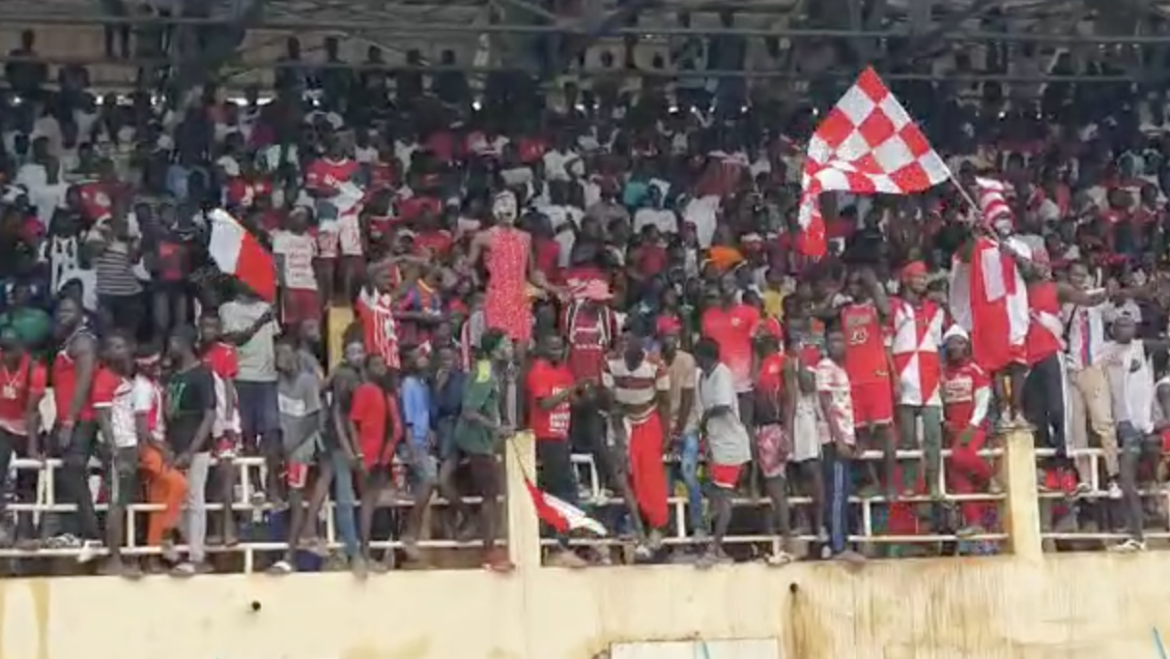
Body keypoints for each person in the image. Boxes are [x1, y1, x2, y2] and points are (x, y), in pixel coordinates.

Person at [447, 328, 514, 571]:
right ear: (495, 349)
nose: (510, 348)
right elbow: (470, 411)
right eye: (506, 344)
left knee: (490, 496)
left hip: (479, 440)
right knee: (490, 497)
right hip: (477, 442)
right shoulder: (486, 372)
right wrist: (497, 428)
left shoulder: (492, 371)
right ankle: (490, 551)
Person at [600, 332, 670, 557]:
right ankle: (638, 530)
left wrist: (667, 434)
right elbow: (609, 399)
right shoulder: (609, 363)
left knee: (650, 477)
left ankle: (657, 527)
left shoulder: (656, 365)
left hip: (648, 421)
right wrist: (620, 433)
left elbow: (665, 402)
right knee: (624, 477)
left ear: (643, 344)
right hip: (620, 420)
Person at [526, 332, 587, 567]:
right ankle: (560, 543)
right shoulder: (539, 371)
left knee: (564, 490)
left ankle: (562, 541)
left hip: (561, 436)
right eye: (551, 347)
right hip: (546, 438)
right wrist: (571, 391)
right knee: (563, 490)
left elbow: (572, 402)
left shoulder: (564, 370)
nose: (556, 352)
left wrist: (584, 392)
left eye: (559, 347)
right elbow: (545, 404)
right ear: (542, 348)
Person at [49, 294, 103, 556]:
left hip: (81, 419)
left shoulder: (83, 341)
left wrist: (69, 421)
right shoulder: (68, 341)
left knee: (74, 469)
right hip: (66, 419)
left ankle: (91, 535)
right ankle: (66, 530)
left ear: (81, 315)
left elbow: (84, 382)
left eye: (69, 311)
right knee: (58, 472)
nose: (63, 315)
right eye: (60, 311)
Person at [221, 286, 283, 503]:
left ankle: (273, 485)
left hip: (268, 378)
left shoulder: (266, 307)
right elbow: (233, 339)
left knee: (272, 433)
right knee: (247, 436)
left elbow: (275, 340)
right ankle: (255, 485)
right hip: (241, 376)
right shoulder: (228, 309)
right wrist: (260, 322)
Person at [839, 268, 896, 500]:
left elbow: (886, 311)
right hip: (853, 379)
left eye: (857, 284)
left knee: (885, 431)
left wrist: (874, 283)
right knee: (860, 437)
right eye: (850, 284)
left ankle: (890, 483)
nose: (853, 288)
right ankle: (873, 482)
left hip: (876, 375)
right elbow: (819, 312)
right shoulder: (843, 312)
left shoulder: (875, 307)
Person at [164, 325, 217, 576]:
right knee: (179, 499)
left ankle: (196, 555)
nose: (170, 347)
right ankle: (184, 550)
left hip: (195, 446)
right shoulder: (174, 374)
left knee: (195, 498)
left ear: (185, 343)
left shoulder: (202, 374)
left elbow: (209, 416)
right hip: (174, 444)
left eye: (173, 341)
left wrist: (192, 449)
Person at [694, 337, 752, 566]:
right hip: (716, 443)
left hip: (730, 444)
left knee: (724, 499)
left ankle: (715, 547)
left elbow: (723, 405)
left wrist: (706, 417)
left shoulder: (722, 373)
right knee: (717, 498)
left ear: (704, 356)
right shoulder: (703, 378)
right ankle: (718, 549)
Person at [890, 261, 945, 498]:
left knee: (933, 435)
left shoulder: (936, 309)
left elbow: (938, 345)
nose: (922, 281)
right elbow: (886, 344)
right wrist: (893, 377)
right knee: (908, 438)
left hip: (930, 378)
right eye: (918, 277)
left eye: (924, 277)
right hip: (904, 377)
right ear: (905, 279)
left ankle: (933, 483)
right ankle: (910, 482)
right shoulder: (894, 308)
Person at [270, 336, 324, 574]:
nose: (285, 359)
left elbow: (313, 419)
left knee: (295, 494)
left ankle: (289, 556)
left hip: (303, 445)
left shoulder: (307, 381)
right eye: (279, 355)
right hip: (285, 443)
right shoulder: (277, 383)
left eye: (287, 353)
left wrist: (292, 444)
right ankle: (271, 495)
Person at [90, 331, 142, 576]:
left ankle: (121, 555)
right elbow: (103, 420)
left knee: (122, 502)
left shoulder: (120, 377)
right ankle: (113, 560)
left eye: (124, 346)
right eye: (117, 346)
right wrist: (116, 455)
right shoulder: (104, 378)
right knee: (115, 504)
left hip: (128, 445)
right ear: (106, 353)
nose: (123, 351)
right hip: (119, 447)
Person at [940, 325, 1000, 536]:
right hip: (953, 429)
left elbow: (983, 401)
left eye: (958, 342)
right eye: (950, 343)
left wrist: (972, 425)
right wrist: (943, 421)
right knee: (958, 478)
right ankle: (975, 522)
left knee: (960, 455)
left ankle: (991, 477)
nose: (954, 347)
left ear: (966, 345)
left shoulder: (976, 370)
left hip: (974, 427)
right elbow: (938, 400)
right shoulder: (943, 373)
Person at [134, 343, 187, 574]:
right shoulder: (142, 388)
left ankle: (151, 556)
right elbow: (142, 430)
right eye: (153, 364)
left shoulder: (153, 385)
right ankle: (166, 535)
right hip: (148, 449)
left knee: (158, 503)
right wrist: (162, 449)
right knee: (179, 484)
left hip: (156, 447)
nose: (159, 367)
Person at [815, 328, 864, 564]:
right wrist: (840, 439)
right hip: (834, 440)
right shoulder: (825, 367)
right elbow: (826, 405)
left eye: (840, 339)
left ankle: (840, 542)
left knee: (843, 493)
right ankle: (838, 546)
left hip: (845, 436)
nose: (837, 344)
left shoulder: (843, 370)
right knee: (836, 494)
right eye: (833, 339)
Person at [0, 327, 46, 548]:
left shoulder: (35, 370)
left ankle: (26, 533)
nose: (6, 354)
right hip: (2, 425)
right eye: (3, 348)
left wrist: (33, 448)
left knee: (27, 482)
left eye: (11, 348)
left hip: (29, 427)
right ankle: (4, 527)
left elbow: (33, 412)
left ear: (21, 348)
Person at [661, 323, 703, 539]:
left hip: (687, 426)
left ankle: (698, 526)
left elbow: (687, 399)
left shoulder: (686, 360)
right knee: (664, 481)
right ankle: (666, 527)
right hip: (663, 427)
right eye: (665, 336)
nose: (669, 341)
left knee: (688, 473)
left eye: (672, 337)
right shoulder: (654, 361)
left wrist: (675, 433)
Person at [397, 345, 439, 563]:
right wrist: (412, 445)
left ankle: (408, 545)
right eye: (419, 357)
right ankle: (410, 534)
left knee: (418, 491)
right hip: (413, 443)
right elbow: (408, 418)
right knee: (430, 480)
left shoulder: (423, 384)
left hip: (424, 441)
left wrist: (430, 430)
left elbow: (424, 413)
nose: (424, 360)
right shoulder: (408, 384)